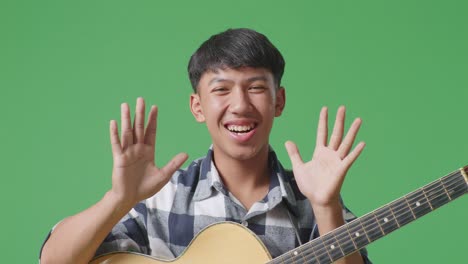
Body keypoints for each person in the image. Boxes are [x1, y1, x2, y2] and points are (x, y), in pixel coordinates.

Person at [40, 28, 371, 264]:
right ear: (197, 106)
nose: (240, 104)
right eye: (222, 89)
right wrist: (118, 199)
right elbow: (53, 261)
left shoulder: (315, 198)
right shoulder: (160, 199)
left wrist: (327, 207)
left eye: (255, 87)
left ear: (278, 101)